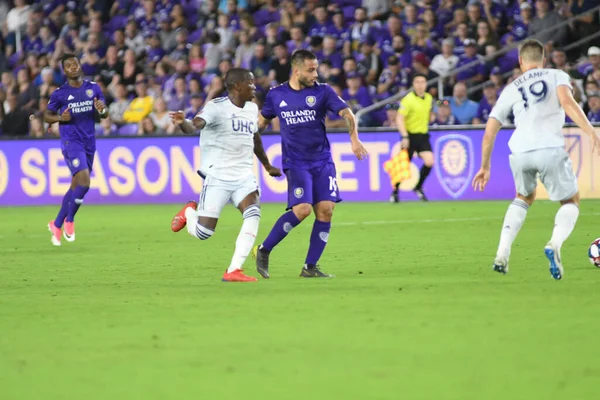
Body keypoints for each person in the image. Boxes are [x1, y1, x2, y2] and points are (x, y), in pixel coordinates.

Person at [472, 39, 600, 280]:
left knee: (523, 197)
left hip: (519, 151)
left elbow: (490, 130)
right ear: (543, 59)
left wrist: (485, 166)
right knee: (570, 200)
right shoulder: (556, 75)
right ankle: (554, 244)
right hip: (549, 147)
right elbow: (567, 101)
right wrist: (591, 131)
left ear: (521, 62)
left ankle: (502, 253)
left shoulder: (510, 88)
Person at [252, 50, 368, 279]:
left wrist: (354, 138)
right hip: (296, 162)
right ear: (297, 71)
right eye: (311, 69)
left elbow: (348, 114)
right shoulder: (276, 95)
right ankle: (263, 250)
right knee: (303, 210)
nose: (316, 73)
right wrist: (250, 141)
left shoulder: (323, 91)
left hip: (322, 161)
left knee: (325, 211)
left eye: (316, 69)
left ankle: (310, 267)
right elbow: (262, 123)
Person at [168, 68, 282, 283]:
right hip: (218, 176)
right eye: (250, 83)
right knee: (203, 233)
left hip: (243, 176)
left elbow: (254, 137)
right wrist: (183, 122)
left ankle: (234, 270)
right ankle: (190, 211)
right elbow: (194, 126)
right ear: (237, 85)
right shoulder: (216, 108)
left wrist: (267, 165)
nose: (254, 87)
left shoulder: (251, 108)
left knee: (253, 214)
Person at [44, 53, 108, 246]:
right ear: (64, 71)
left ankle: (56, 224)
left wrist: (102, 110)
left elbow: (104, 114)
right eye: (68, 66)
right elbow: (47, 116)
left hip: (89, 142)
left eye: (75, 64)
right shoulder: (60, 93)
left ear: (80, 66)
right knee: (85, 182)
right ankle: (69, 220)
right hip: (71, 142)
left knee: (76, 185)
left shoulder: (93, 88)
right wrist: (58, 119)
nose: (72, 67)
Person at [391, 74, 434, 203]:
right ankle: (395, 192)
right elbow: (399, 118)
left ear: (426, 84)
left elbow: (428, 114)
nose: (420, 85)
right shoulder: (407, 100)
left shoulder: (429, 98)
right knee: (404, 166)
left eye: (423, 82)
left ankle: (418, 187)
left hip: (423, 135)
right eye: (417, 82)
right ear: (413, 84)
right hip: (410, 136)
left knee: (429, 161)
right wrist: (404, 136)